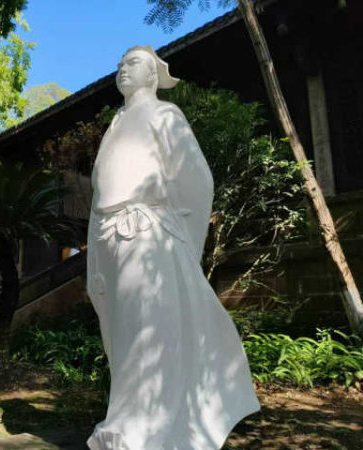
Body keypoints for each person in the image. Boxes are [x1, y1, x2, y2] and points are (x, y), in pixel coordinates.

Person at [86, 45, 260, 450]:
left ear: (152, 74)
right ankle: (124, 418)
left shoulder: (166, 114)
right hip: (110, 233)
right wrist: (94, 258)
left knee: (148, 327)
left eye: (133, 63)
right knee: (122, 334)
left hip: (146, 232)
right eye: (120, 64)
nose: (122, 69)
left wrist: (183, 240)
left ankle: (149, 425)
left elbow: (195, 180)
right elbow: (97, 195)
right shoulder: (116, 123)